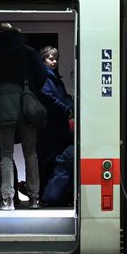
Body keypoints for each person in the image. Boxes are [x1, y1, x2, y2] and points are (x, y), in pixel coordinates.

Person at [0, 23, 48, 211]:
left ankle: (8, 200)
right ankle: (34, 197)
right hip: (26, 105)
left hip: (1, 107)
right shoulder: (28, 51)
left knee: (6, 154)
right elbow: (43, 75)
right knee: (30, 153)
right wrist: (30, 90)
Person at [36, 46, 74, 192]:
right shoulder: (46, 78)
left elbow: (64, 98)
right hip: (50, 127)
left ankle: (50, 193)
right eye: (50, 59)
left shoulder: (55, 78)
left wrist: (68, 107)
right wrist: (67, 109)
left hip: (56, 126)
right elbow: (48, 99)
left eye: (56, 59)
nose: (54, 62)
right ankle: (46, 193)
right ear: (43, 60)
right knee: (48, 161)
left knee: (52, 161)